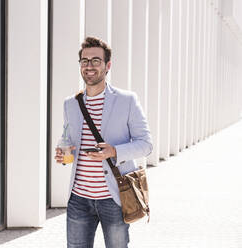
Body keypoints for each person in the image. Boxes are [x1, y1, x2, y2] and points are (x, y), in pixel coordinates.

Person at [54, 36, 153, 248]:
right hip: (78, 198)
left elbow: (145, 144)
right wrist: (63, 156)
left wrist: (114, 151)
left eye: (96, 61)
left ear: (107, 65)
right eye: (84, 61)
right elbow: (70, 142)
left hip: (115, 198)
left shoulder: (126, 100)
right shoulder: (70, 104)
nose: (89, 66)